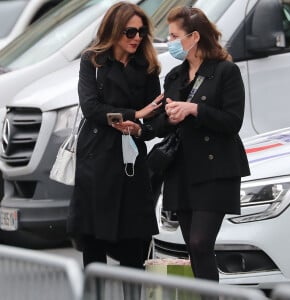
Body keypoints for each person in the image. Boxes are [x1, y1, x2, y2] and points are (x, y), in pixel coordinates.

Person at [151, 6, 250, 281]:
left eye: (174, 35)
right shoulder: (174, 76)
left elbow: (233, 121)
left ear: (194, 37)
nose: (169, 42)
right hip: (181, 172)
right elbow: (159, 126)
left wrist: (194, 110)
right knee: (194, 250)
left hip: (215, 170)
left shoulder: (225, 71)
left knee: (200, 243)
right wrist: (166, 118)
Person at [67, 1, 163, 269]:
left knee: (134, 241)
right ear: (114, 30)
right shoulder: (93, 60)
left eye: (141, 31)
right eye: (130, 32)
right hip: (96, 157)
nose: (137, 38)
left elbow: (155, 114)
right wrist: (136, 112)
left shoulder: (147, 66)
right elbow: (91, 108)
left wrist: (140, 124)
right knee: (93, 240)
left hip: (130, 160)